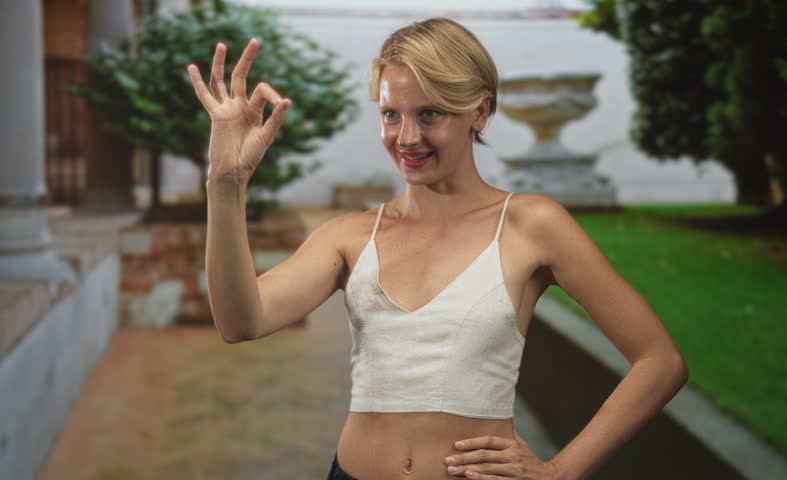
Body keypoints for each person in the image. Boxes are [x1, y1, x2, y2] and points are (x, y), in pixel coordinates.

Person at [187, 17, 688, 480]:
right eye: (391, 115)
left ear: (480, 112)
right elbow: (240, 323)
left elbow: (660, 361)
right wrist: (225, 184)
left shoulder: (532, 225)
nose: (406, 137)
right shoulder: (350, 236)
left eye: (429, 114)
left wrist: (561, 471)